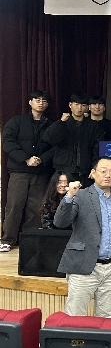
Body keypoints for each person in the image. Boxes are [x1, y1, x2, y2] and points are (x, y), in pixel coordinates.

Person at [54, 157, 111, 317]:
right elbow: (60, 222)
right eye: (103, 171)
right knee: (75, 316)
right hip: (84, 264)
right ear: (93, 173)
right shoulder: (80, 195)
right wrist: (69, 196)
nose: (108, 175)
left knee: (107, 317)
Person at [1, 90, 54, 252]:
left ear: (47, 104)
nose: (41, 103)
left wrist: (41, 159)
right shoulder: (17, 121)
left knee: (36, 207)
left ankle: (30, 239)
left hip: (41, 172)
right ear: (30, 102)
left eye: (44, 101)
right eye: (37, 100)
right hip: (19, 171)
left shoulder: (51, 125)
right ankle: (7, 239)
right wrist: (26, 158)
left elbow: (55, 147)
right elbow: (8, 142)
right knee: (14, 205)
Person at [43, 93, 101, 187]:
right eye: (76, 104)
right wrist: (61, 122)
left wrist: (95, 167)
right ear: (70, 105)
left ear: (87, 107)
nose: (80, 108)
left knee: (84, 195)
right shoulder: (63, 122)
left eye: (83, 105)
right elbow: (49, 138)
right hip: (64, 169)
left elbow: (97, 148)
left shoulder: (93, 126)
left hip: (85, 171)